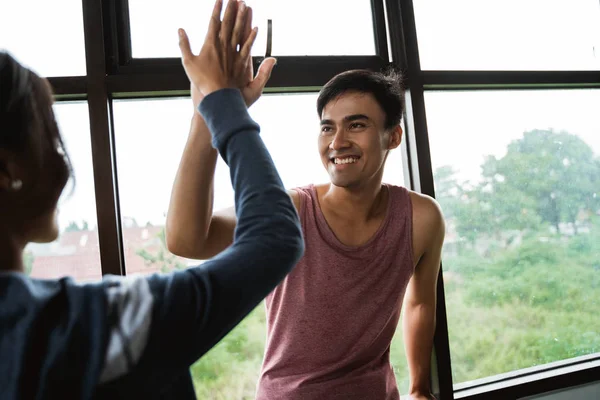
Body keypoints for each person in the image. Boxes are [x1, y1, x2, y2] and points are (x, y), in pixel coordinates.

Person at [0, 0, 303, 398]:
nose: (60, 157)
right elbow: (274, 238)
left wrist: (210, 108)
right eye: (50, 136)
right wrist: (223, 105)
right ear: (7, 170)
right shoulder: (81, 328)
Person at [166, 52, 445, 400]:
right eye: (328, 127)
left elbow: (420, 303)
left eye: (356, 125)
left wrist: (419, 387)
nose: (337, 141)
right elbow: (186, 240)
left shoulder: (421, 218)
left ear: (393, 136)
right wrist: (207, 112)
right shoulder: (289, 209)